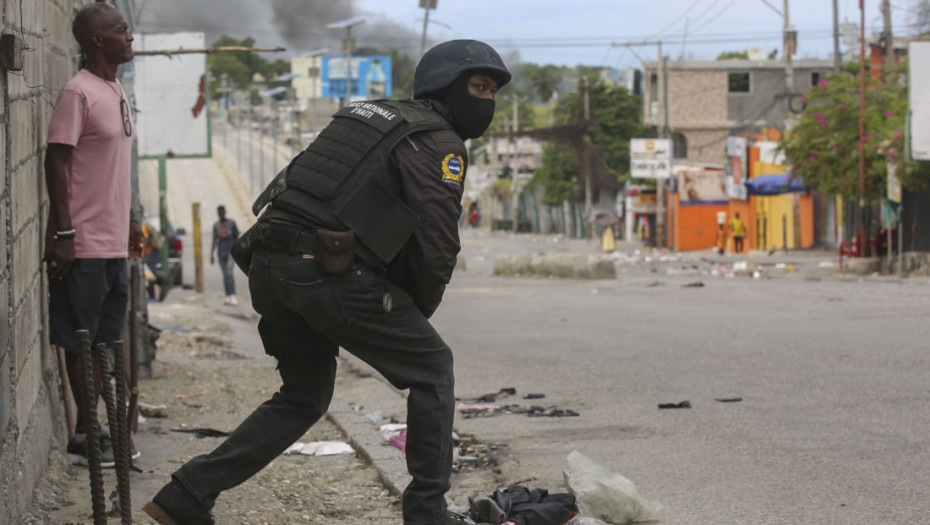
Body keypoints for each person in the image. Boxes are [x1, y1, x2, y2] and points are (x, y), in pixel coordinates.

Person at [144, 39, 511, 525]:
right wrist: (411, 317)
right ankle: (427, 513)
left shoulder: (365, 116)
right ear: (445, 86)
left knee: (304, 396)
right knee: (432, 368)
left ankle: (187, 494)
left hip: (269, 264)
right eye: (478, 86)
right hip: (324, 271)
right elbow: (436, 243)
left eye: (492, 90)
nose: (486, 100)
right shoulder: (440, 142)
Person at [44, 3, 142, 467]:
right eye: (121, 31)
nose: (130, 37)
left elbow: (109, 172)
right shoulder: (77, 93)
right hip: (80, 244)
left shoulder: (115, 89)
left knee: (103, 338)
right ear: (97, 40)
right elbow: (56, 161)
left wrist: (127, 224)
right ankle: (88, 431)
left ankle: (103, 429)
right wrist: (64, 231)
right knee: (80, 340)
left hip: (111, 244)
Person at [210, 205, 240, 305]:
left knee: (229, 271)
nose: (221, 214)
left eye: (222, 212)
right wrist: (211, 254)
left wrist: (240, 250)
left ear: (225, 212)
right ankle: (228, 295)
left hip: (231, 252)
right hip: (221, 253)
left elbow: (236, 238)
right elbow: (214, 240)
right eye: (219, 213)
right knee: (225, 275)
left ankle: (233, 295)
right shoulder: (216, 225)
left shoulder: (231, 223)